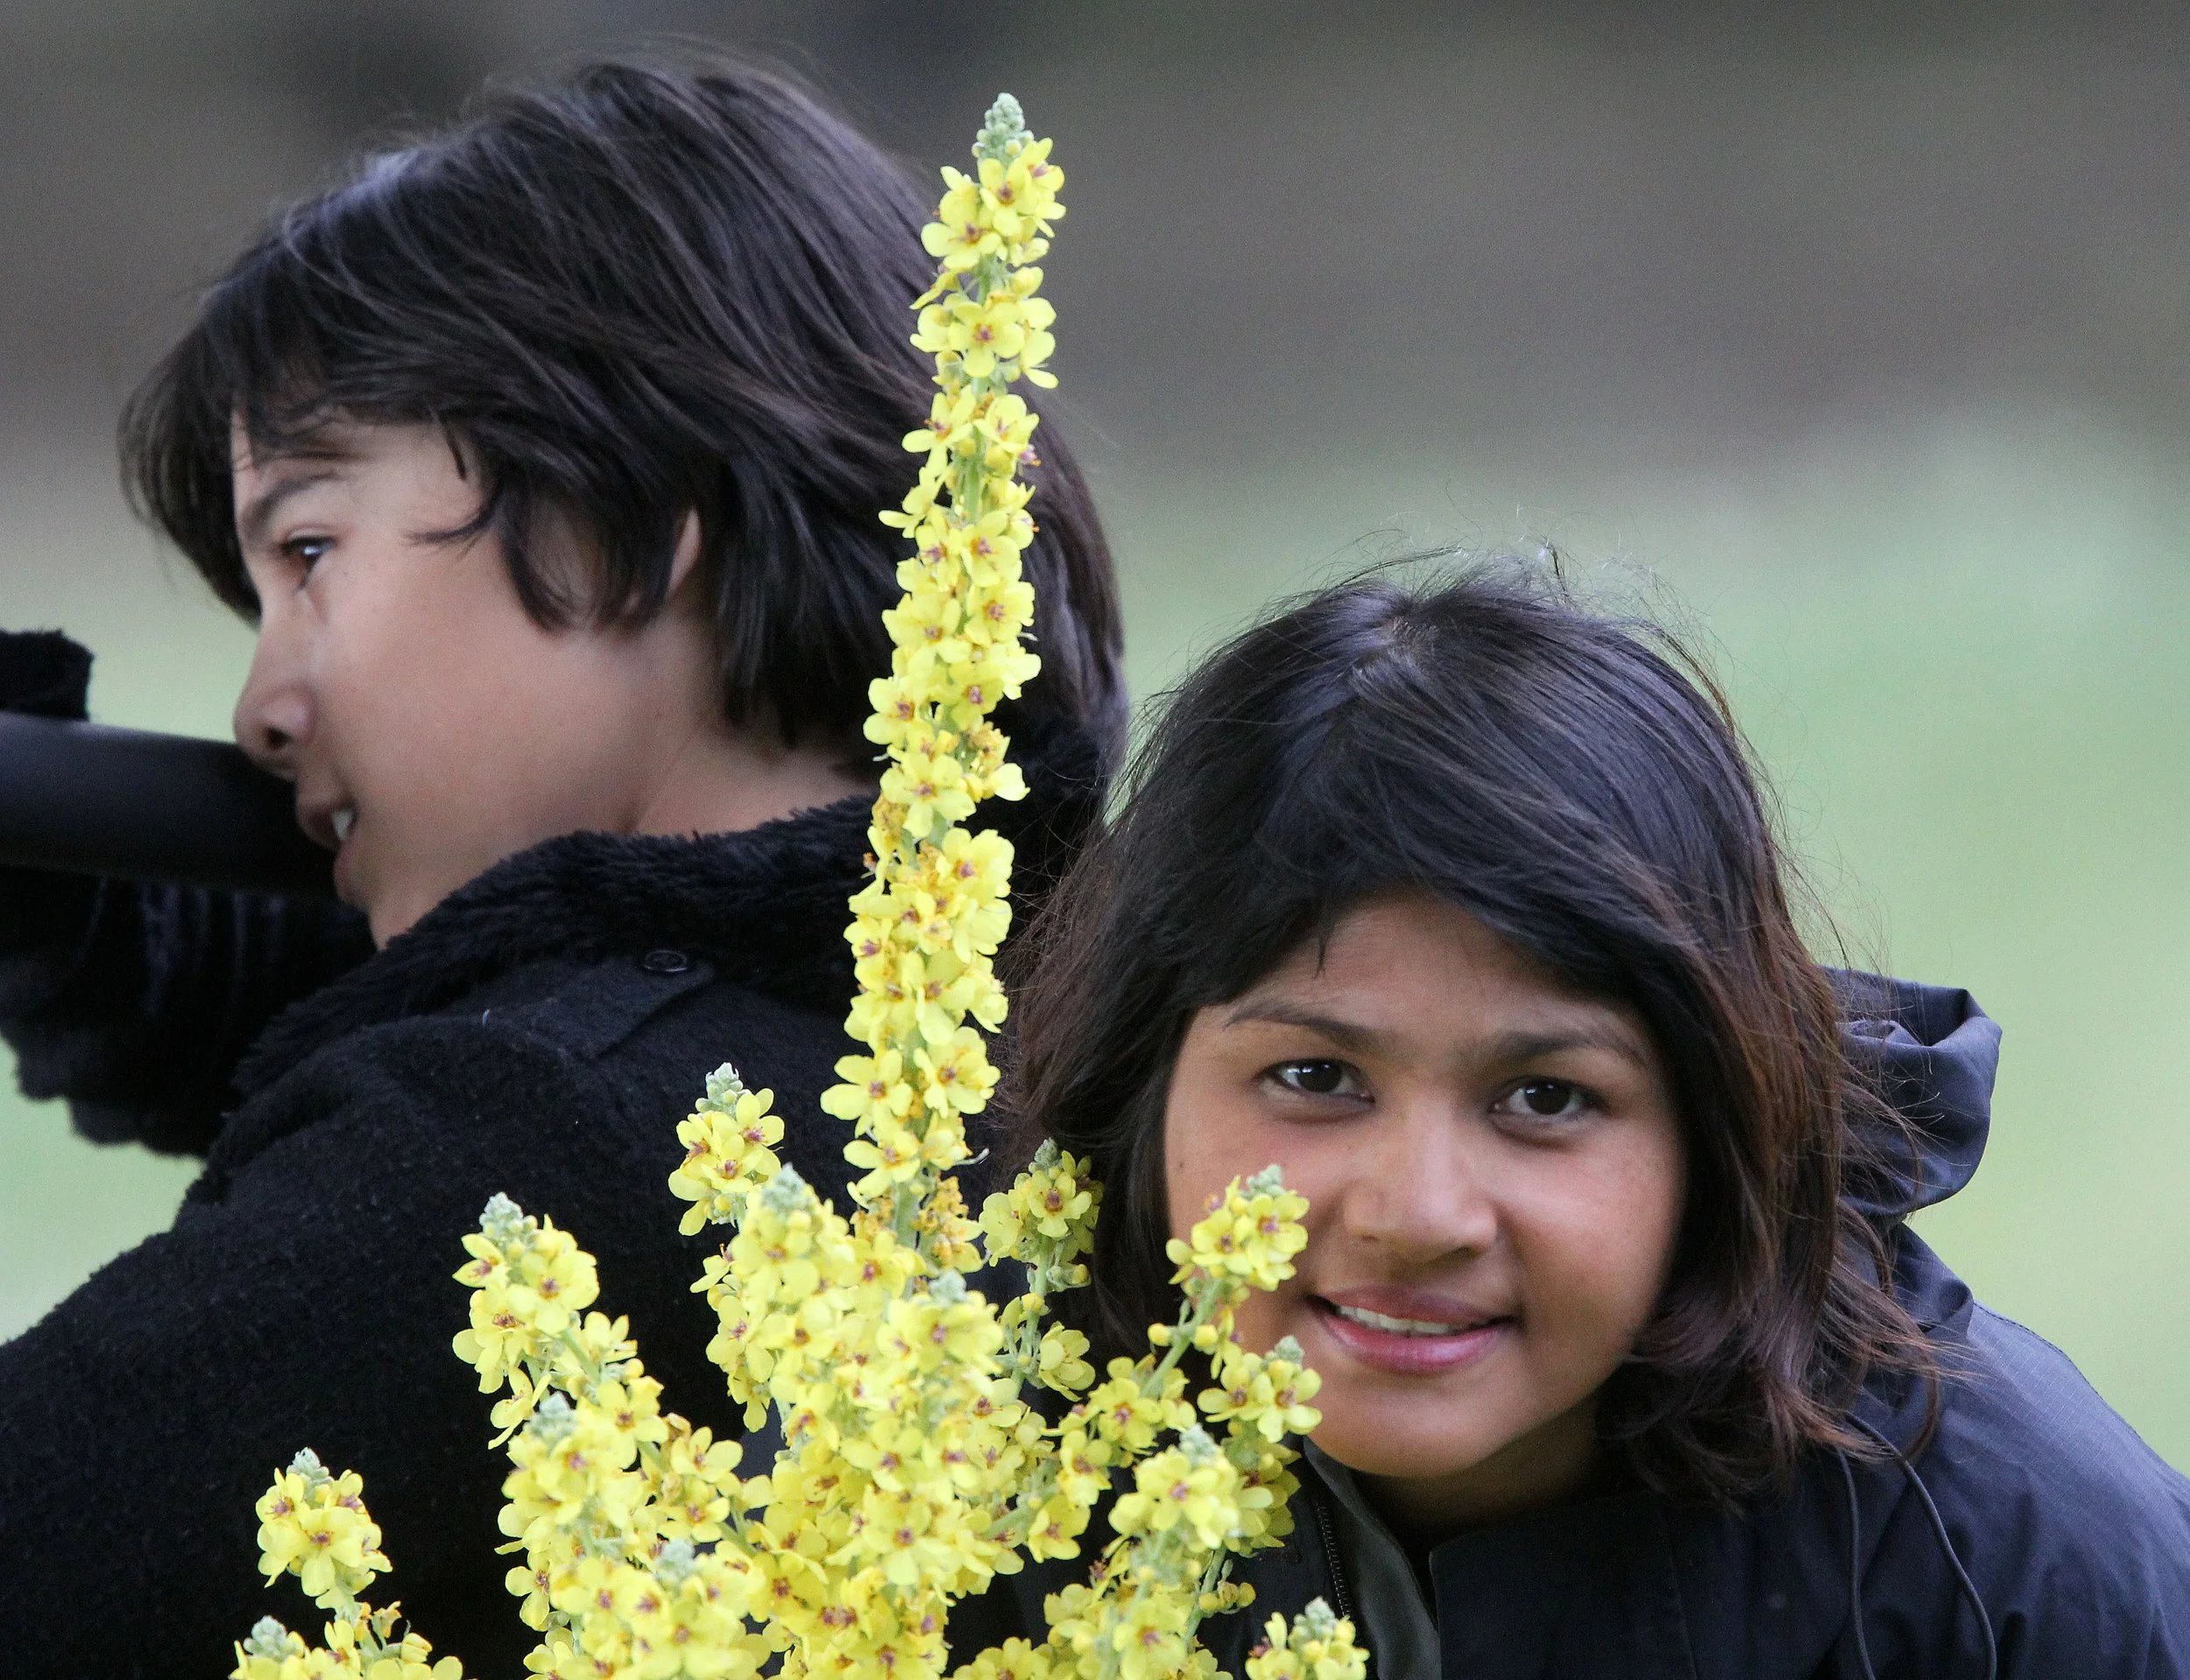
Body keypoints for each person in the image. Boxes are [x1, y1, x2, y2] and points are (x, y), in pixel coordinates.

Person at [0, 58, 1121, 1676]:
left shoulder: (523, 1149)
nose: (263, 708)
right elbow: (387, 988)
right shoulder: (998, 995)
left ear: (620, 522)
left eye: (309, 553)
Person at [961, 568, 2190, 1677]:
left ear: (1721, 1126)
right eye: (1317, 1076)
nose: (1417, 1215)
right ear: (1144, 1072)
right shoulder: (967, 1463)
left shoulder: (2020, 1576)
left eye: (1545, 1097)